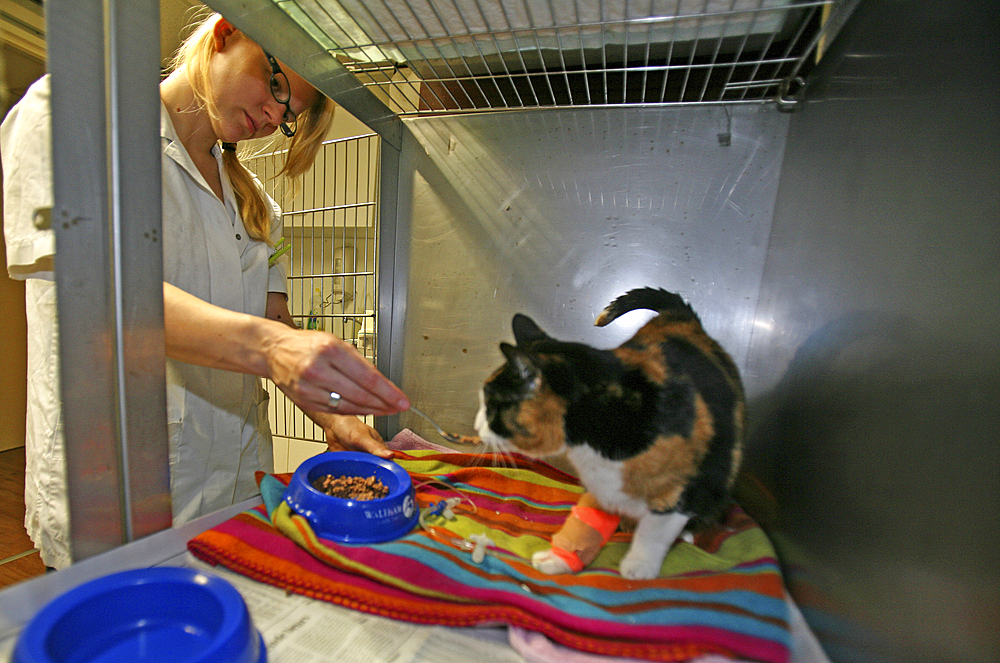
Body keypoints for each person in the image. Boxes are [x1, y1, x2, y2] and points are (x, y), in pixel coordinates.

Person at [1, 12, 409, 570]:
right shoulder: (73, 116)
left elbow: (276, 322)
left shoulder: (257, 205)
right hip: (120, 485)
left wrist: (335, 416)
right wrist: (270, 348)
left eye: (287, 116)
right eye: (274, 86)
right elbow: (99, 296)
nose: (271, 116)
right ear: (225, 32)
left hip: (235, 482)